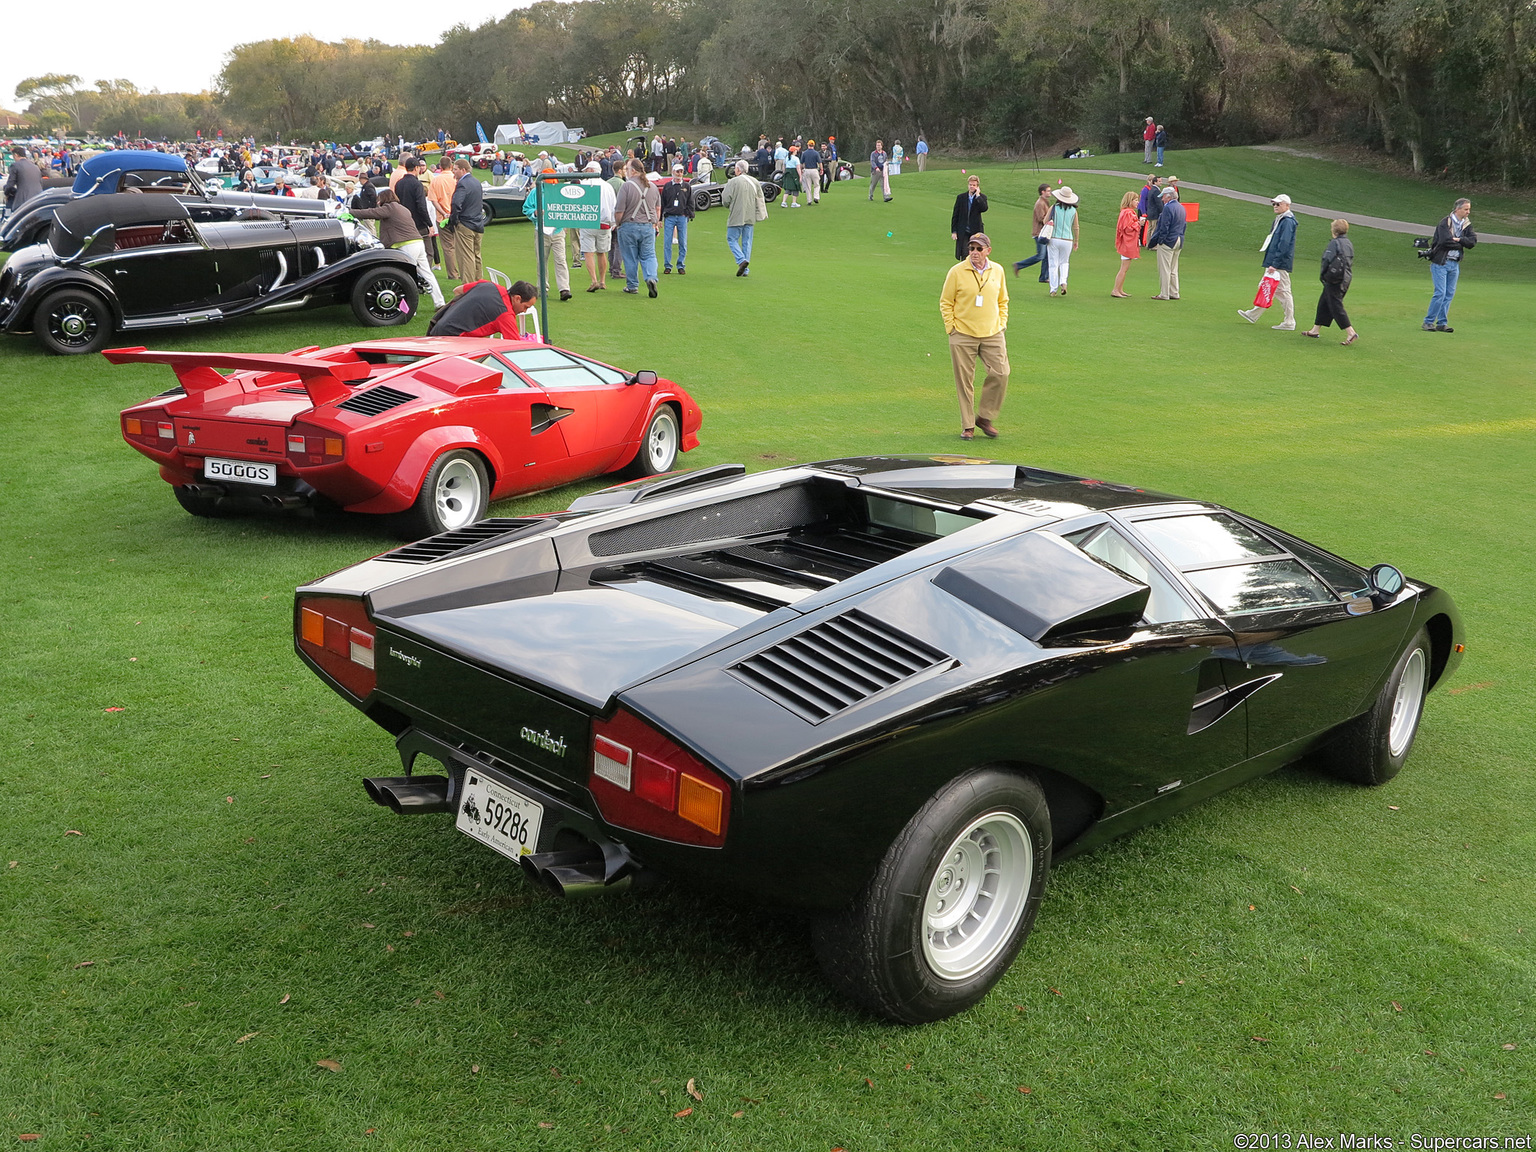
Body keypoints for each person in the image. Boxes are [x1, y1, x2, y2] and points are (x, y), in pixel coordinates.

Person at [939, 233, 1009, 442]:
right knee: (965, 381)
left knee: (1002, 372)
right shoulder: (957, 272)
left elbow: (1002, 300)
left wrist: (1002, 323)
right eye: (971, 249)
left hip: (992, 332)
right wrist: (951, 328)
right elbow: (946, 302)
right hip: (962, 333)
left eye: (979, 249)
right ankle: (968, 425)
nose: (974, 253)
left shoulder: (997, 270)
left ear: (988, 250)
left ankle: (985, 417)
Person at [344, 188, 445, 308]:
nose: (377, 202)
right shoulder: (403, 209)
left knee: (403, 278)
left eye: (379, 199)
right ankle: (439, 302)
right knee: (427, 274)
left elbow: (371, 213)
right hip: (418, 242)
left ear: (384, 198)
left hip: (405, 245)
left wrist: (350, 212)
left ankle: (409, 308)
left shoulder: (389, 208)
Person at [1238, 193, 1298, 330]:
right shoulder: (1281, 219)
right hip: (1275, 261)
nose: (1275, 206)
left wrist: (1274, 264)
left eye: (1278, 204)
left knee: (1282, 291)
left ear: (1287, 205)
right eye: (1274, 204)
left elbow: (1284, 244)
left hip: (1278, 263)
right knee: (1268, 287)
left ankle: (1289, 321)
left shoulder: (1287, 221)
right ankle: (1253, 314)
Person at [1423, 198, 1476, 332]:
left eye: (1469, 209)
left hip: (1454, 263)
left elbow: (1472, 242)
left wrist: (1459, 239)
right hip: (1441, 262)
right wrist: (1462, 243)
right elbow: (1445, 241)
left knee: (1449, 294)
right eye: (1466, 209)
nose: (1468, 212)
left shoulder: (1466, 224)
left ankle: (1442, 323)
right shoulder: (1445, 223)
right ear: (1458, 209)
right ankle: (1428, 322)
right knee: (1440, 293)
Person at [1302, 219, 1358, 345]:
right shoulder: (1348, 243)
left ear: (1334, 231)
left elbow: (1327, 259)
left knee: (1335, 305)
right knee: (1324, 302)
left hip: (1334, 278)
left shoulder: (1335, 243)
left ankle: (1350, 332)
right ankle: (1315, 330)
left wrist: (1323, 275)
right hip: (1345, 277)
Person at [428, 278, 537, 339]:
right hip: (452, 341)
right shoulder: (505, 315)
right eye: (525, 307)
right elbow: (515, 347)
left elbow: (457, 290)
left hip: (438, 326)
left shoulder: (489, 285)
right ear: (517, 298)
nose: (524, 311)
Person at [614, 158, 661, 297]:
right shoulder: (652, 187)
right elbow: (657, 208)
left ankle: (632, 285)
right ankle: (651, 277)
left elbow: (619, 211)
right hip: (648, 226)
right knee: (649, 255)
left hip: (629, 225)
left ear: (633, 171)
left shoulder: (626, 186)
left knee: (630, 257)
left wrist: (618, 224)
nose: (626, 172)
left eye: (627, 169)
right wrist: (655, 223)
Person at [722, 159, 766, 276]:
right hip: (750, 215)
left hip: (737, 215)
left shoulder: (733, 182)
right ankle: (745, 269)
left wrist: (729, 205)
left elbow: (725, 199)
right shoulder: (755, 181)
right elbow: (760, 198)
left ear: (737, 169)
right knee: (747, 241)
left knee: (731, 239)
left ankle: (741, 260)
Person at [580, 161, 618, 291]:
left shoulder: (584, 185)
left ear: (591, 170)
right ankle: (602, 281)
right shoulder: (607, 186)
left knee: (589, 252)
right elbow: (614, 205)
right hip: (605, 223)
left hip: (588, 221)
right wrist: (613, 222)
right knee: (602, 253)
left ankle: (594, 280)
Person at [449, 157, 485, 284]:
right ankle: (479, 282)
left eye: (455, 169)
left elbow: (456, 203)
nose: (453, 172)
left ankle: (468, 286)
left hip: (466, 224)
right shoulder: (476, 182)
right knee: (476, 255)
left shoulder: (462, 184)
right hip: (478, 224)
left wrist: (453, 220)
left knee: (466, 256)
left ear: (463, 170)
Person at [1148, 185, 1186, 300]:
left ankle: (1164, 294)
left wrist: (1160, 241)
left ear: (1168, 197)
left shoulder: (1168, 208)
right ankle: (1174, 292)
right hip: (1178, 239)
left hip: (1169, 241)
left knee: (1165, 268)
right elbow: (1184, 225)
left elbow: (1164, 227)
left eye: (1163, 197)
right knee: (1173, 268)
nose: (1162, 199)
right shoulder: (1181, 207)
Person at [1013, 183, 1053, 284]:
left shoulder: (1045, 202)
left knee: (1046, 256)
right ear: (1042, 192)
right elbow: (1041, 218)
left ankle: (1044, 277)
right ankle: (1018, 265)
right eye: (1048, 191)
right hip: (1039, 233)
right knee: (1040, 256)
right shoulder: (1040, 203)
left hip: (1044, 233)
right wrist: (1051, 221)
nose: (1050, 193)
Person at [1044, 187, 1080, 296]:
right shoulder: (1074, 210)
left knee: (1053, 264)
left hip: (1054, 238)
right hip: (1067, 239)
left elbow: (1045, 221)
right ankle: (1063, 282)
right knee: (1064, 262)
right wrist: (1076, 240)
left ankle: (1053, 289)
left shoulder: (1054, 207)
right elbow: (1076, 227)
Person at [660, 162, 694, 272]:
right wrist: (660, 218)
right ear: (673, 172)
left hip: (682, 217)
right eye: (677, 171)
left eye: (681, 172)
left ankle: (680, 265)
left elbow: (690, 201)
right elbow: (662, 203)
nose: (679, 174)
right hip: (669, 217)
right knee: (667, 242)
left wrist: (689, 213)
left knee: (683, 242)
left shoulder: (686, 186)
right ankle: (667, 265)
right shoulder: (667, 186)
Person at [950, 175, 989, 261]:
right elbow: (955, 215)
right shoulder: (961, 197)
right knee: (964, 253)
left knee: (975, 253)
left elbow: (984, 208)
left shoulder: (981, 198)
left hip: (975, 231)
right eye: (970, 185)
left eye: (974, 185)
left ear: (977, 186)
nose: (972, 186)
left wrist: (978, 196)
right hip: (963, 230)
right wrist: (954, 231)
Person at [1113, 190, 1141, 297]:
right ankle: (1116, 290)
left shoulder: (1127, 212)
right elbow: (1127, 228)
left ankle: (1120, 289)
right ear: (1130, 201)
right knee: (1123, 268)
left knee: (1125, 268)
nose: (1137, 202)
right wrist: (1138, 224)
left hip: (1128, 243)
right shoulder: (1128, 213)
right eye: (1135, 200)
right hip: (1127, 243)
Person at [3, 146, 42, 210]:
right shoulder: (35, 166)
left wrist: (6, 194)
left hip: (23, 200)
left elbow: (10, 184)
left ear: (15, 155)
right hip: (37, 198)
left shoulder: (15, 165)